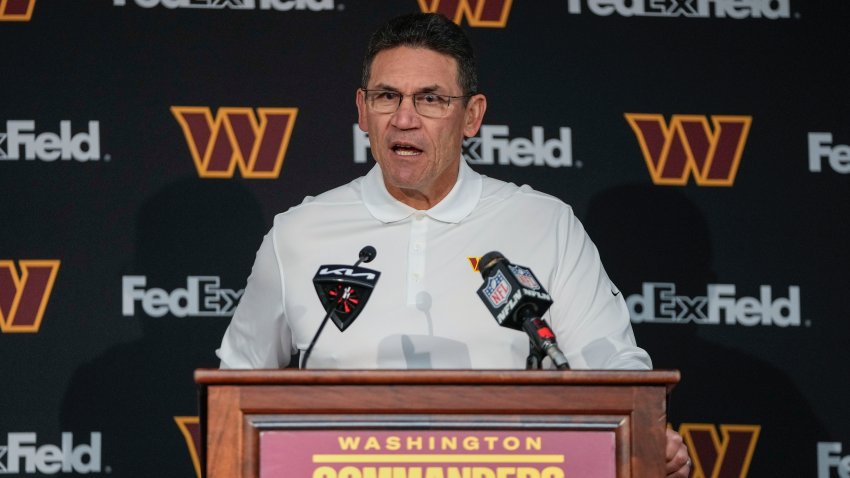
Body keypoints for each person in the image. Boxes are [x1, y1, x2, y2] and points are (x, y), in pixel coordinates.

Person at [216, 12, 691, 477]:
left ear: (471, 116)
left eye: (430, 99)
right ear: (362, 111)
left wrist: (645, 438)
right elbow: (234, 389)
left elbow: (612, 366)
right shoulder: (299, 233)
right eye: (387, 96)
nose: (404, 119)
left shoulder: (545, 225)